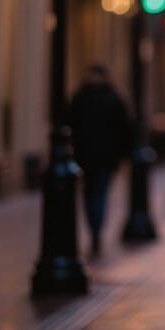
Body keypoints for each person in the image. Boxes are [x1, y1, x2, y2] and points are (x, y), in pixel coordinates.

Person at [69, 63, 132, 257]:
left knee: (97, 194)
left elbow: (123, 130)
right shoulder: (82, 98)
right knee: (91, 194)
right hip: (89, 157)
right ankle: (95, 230)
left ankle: (96, 231)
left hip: (103, 158)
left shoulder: (106, 99)